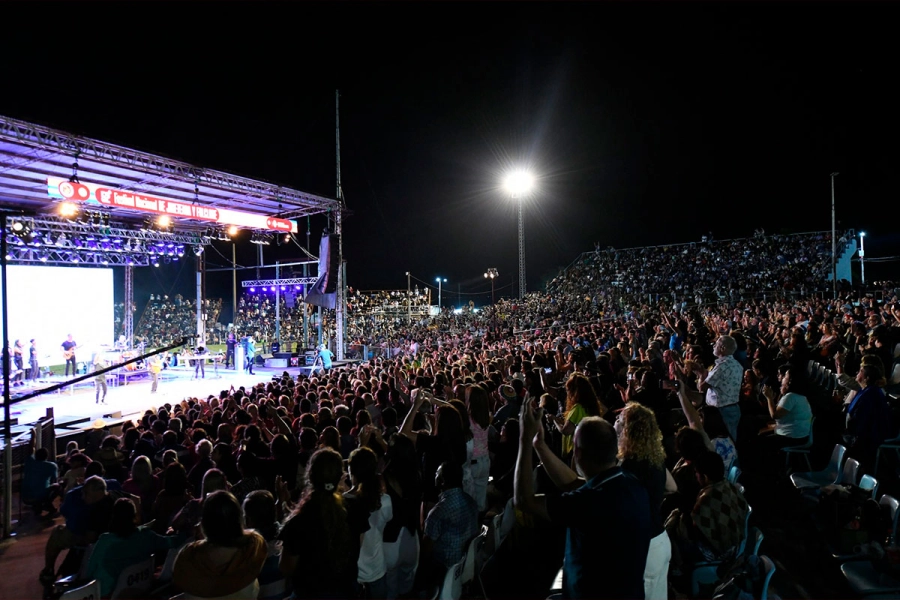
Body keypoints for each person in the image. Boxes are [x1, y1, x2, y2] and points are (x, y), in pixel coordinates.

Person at [516, 401, 652, 599]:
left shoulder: (589, 502)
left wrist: (524, 439)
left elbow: (524, 500)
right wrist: (539, 446)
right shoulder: (629, 483)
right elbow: (571, 484)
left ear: (577, 454)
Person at [173, 490, 268, 599]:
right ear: (239, 519)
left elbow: (179, 580)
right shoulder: (254, 547)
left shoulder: (188, 557)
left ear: (204, 522)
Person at [84, 497, 185, 597]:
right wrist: (187, 533)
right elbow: (172, 542)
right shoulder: (146, 536)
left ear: (113, 516)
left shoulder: (105, 541)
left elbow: (89, 571)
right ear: (134, 515)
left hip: (107, 593)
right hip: (140, 590)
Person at [421, 460, 478, 590]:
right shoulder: (471, 501)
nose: (434, 475)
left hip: (444, 570)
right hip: (466, 565)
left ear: (442, 482)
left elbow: (426, 551)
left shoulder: (439, 512)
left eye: (437, 473)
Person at [695, 335, 744, 442]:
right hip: (733, 408)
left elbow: (702, 388)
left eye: (716, 344)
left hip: (721, 411)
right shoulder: (738, 365)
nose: (713, 346)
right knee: (730, 441)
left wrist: (700, 375)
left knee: (721, 443)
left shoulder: (722, 366)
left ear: (723, 348)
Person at [22, 432, 60, 517]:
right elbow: (55, 480)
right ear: (46, 457)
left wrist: (33, 435)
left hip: (25, 497)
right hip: (39, 496)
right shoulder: (51, 466)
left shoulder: (29, 462)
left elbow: (31, 448)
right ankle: (46, 504)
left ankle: (38, 505)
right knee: (58, 486)